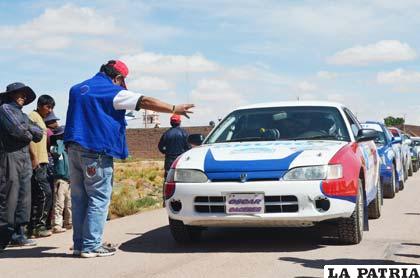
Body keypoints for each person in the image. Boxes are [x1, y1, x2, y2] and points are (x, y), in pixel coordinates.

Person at [64, 59, 194, 258]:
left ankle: (80, 244)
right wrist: (174, 107)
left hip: (73, 150)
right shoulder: (112, 91)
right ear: (117, 78)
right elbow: (145, 101)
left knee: (79, 198)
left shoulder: (76, 89)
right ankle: (91, 246)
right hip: (96, 152)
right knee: (98, 197)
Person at [0, 82, 43, 249]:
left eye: (25, 95)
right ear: (11, 94)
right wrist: (30, 131)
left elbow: (40, 134)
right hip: (9, 157)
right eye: (19, 93)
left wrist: (29, 131)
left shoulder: (23, 115)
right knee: (8, 198)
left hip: (24, 158)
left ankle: (19, 234)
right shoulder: (4, 109)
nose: (22, 97)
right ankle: (3, 238)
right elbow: (19, 132)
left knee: (24, 198)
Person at [28, 95, 55, 238]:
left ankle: (31, 229)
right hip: (37, 162)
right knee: (45, 194)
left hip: (43, 161)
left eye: (51, 108)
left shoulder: (41, 119)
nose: (49, 110)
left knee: (38, 195)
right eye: (48, 107)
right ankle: (39, 226)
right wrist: (33, 158)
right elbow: (29, 139)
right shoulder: (32, 116)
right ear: (39, 105)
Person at [50, 126, 72, 234]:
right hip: (60, 180)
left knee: (69, 203)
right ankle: (56, 225)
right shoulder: (55, 147)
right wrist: (59, 141)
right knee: (59, 203)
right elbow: (57, 153)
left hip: (68, 181)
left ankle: (69, 222)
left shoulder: (67, 150)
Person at [158, 114, 191, 179]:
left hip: (169, 159)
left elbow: (160, 146)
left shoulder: (166, 133)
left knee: (168, 178)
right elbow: (188, 147)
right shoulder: (184, 133)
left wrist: (166, 152)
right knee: (182, 178)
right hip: (181, 159)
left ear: (170, 122)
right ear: (179, 122)